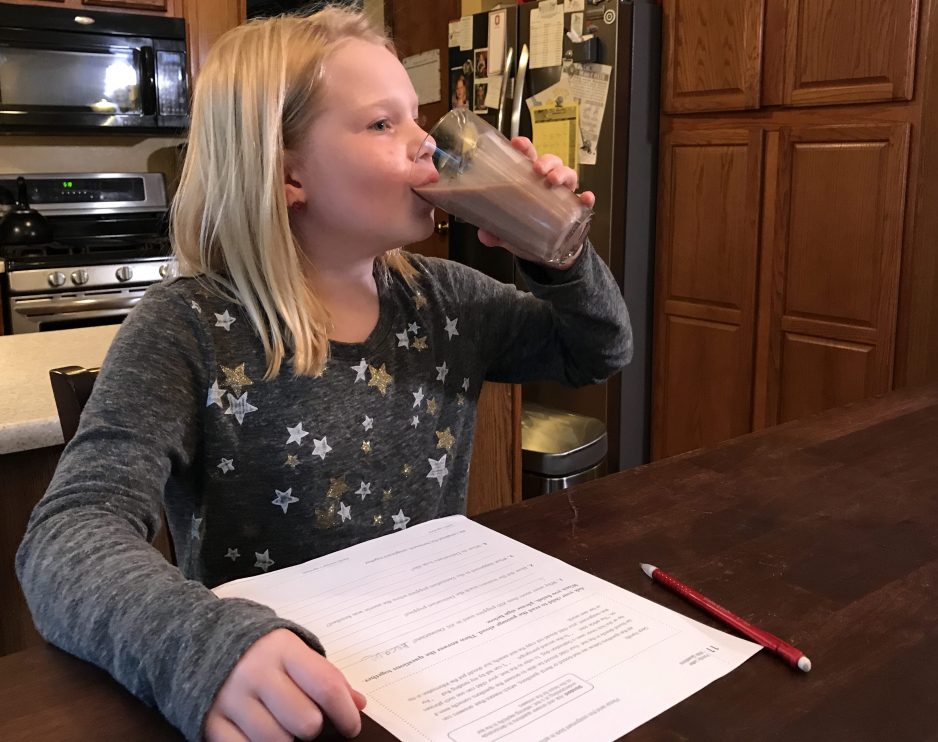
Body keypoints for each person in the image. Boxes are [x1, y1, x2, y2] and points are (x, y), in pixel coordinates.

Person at [16, 5, 631, 742]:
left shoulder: (447, 300)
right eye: (383, 124)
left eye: (418, 118)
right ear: (288, 173)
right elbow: (66, 535)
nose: (428, 145)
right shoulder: (188, 328)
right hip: (281, 695)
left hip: (437, 666)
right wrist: (204, 646)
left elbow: (596, 349)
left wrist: (560, 256)